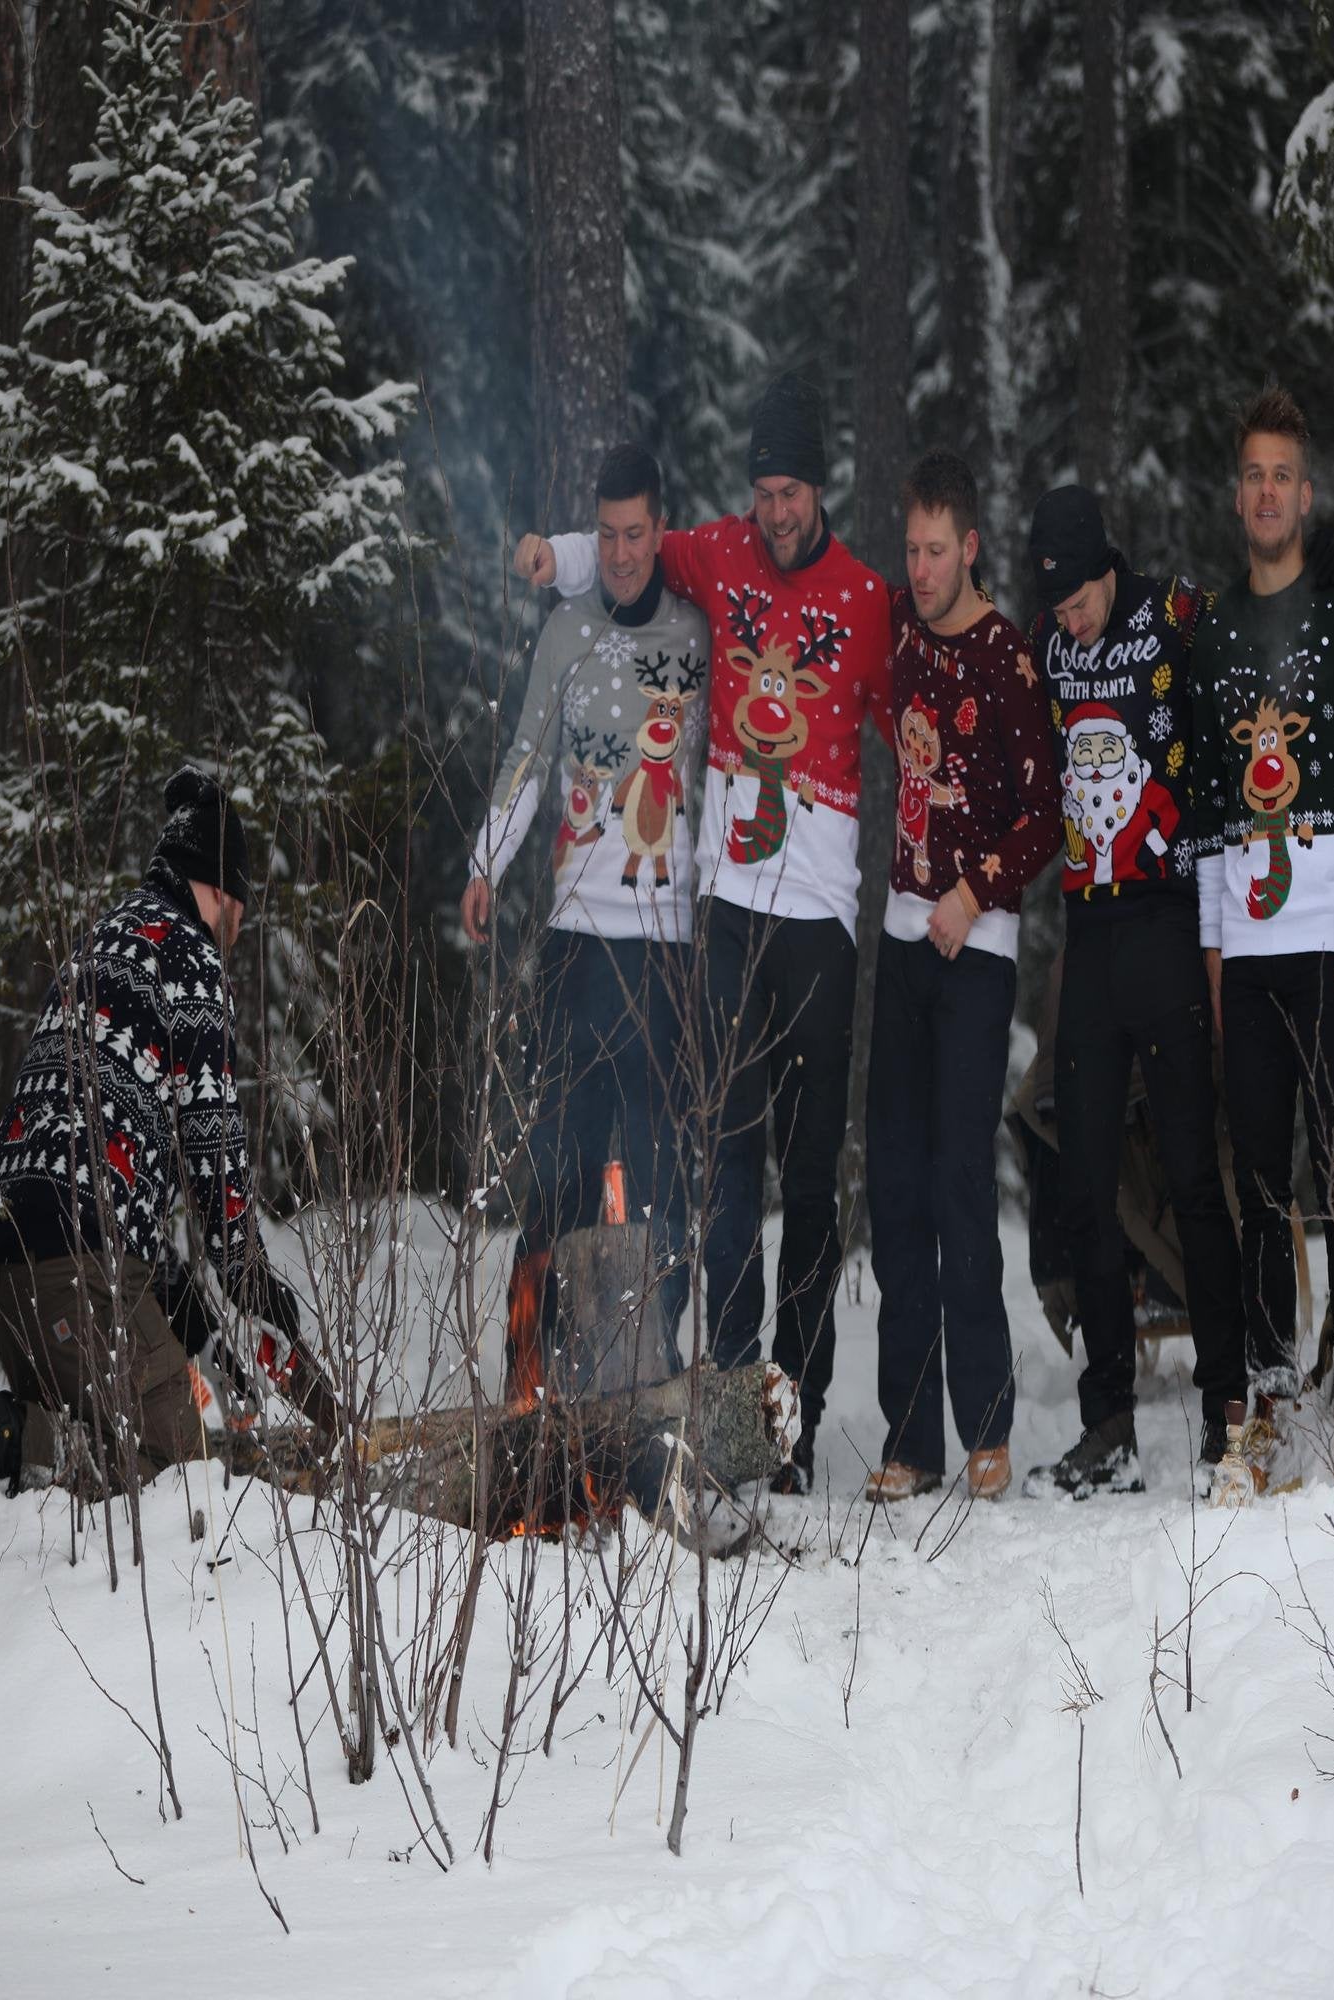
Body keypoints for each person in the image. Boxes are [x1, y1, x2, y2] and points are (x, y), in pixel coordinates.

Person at [516, 373, 893, 1493]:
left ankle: (800, 1413)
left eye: (790, 492)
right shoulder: (717, 553)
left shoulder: (868, 598)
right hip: (725, 914)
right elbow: (623, 552)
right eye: (762, 492)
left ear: (818, 486)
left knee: (809, 1179)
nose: (775, 511)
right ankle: (732, 1401)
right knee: (726, 1166)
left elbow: (909, 717)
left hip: (821, 923)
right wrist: (552, 555)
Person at [0, 770, 321, 1493]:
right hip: (75, 1268)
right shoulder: (191, 963)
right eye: (242, 910)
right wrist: (256, 1287)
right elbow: (216, 1166)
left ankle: (13, 1442)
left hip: (6, 1261)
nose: (237, 929)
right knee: (178, 1476)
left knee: (101, 1455)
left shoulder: (104, 938)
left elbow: (109, 1178)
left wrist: (199, 1327)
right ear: (223, 892)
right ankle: (4, 1441)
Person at [1192, 384, 1334, 1496]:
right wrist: (1212, 949)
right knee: (1259, 1182)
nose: (1266, 491)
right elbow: (1201, 822)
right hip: (1251, 940)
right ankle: (1272, 1392)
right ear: (1236, 498)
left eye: (1282, 474)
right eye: (1251, 475)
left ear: (1304, 494)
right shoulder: (1215, 631)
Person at [465, 443, 710, 1395]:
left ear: (660, 532)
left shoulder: (698, 633)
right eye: (603, 535)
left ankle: (653, 1378)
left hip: (667, 949)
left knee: (661, 1182)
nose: (618, 553)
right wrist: (488, 860)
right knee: (562, 1174)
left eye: (634, 533)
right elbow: (527, 757)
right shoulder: (565, 631)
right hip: (575, 941)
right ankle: (533, 1374)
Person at [1020, 485, 1248, 1498]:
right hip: (1088, 933)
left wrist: (1220, 925)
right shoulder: (1044, 640)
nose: (1067, 620)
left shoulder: (1172, 616)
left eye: (1076, 602)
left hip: (1165, 920)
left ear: (1105, 570)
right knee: (1085, 1180)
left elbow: (1226, 747)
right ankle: (1106, 1420)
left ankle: (1226, 1401)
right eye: (1056, 608)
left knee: (1195, 1171)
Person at [862, 450, 1059, 1504]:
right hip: (898, 946)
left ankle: (985, 1428)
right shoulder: (896, 623)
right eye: (911, 548)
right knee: (892, 1187)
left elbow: (1046, 816)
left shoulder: (1007, 660)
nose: (921, 566)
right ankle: (909, 1438)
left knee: (955, 1186)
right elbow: (857, 680)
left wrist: (972, 891)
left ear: (970, 546)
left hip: (972, 953)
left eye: (937, 549)